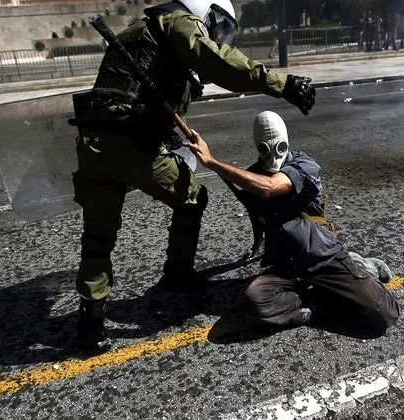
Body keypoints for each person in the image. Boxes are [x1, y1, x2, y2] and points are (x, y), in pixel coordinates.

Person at [71, 0, 317, 349]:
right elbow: (217, 61)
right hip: (132, 145)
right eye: (218, 25)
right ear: (203, 9)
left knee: (98, 234)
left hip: (92, 143)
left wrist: (167, 131)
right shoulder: (178, 23)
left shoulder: (134, 32)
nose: (219, 34)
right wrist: (284, 84)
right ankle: (177, 274)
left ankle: (90, 322)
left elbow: (128, 94)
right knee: (192, 198)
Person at [185, 111, 400, 330]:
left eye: (279, 146)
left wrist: (212, 162)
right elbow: (256, 212)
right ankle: (315, 303)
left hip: (321, 257)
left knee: (384, 314)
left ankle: (361, 267)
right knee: (256, 299)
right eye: (265, 148)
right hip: (287, 266)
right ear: (258, 146)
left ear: (286, 141)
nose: (274, 155)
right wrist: (257, 241)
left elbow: (270, 188)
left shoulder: (304, 166)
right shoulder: (253, 176)